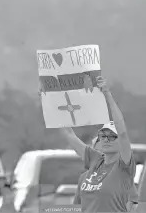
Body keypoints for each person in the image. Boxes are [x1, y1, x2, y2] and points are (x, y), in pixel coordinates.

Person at [58, 76, 136, 212]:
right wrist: (51, 101)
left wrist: (107, 94)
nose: (106, 139)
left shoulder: (124, 166)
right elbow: (68, 134)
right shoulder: (95, 160)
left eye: (112, 136)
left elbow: (123, 133)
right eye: (103, 135)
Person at [73, 137, 139, 211]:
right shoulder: (84, 177)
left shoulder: (121, 174)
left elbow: (133, 203)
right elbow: (77, 206)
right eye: (96, 150)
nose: (101, 154)